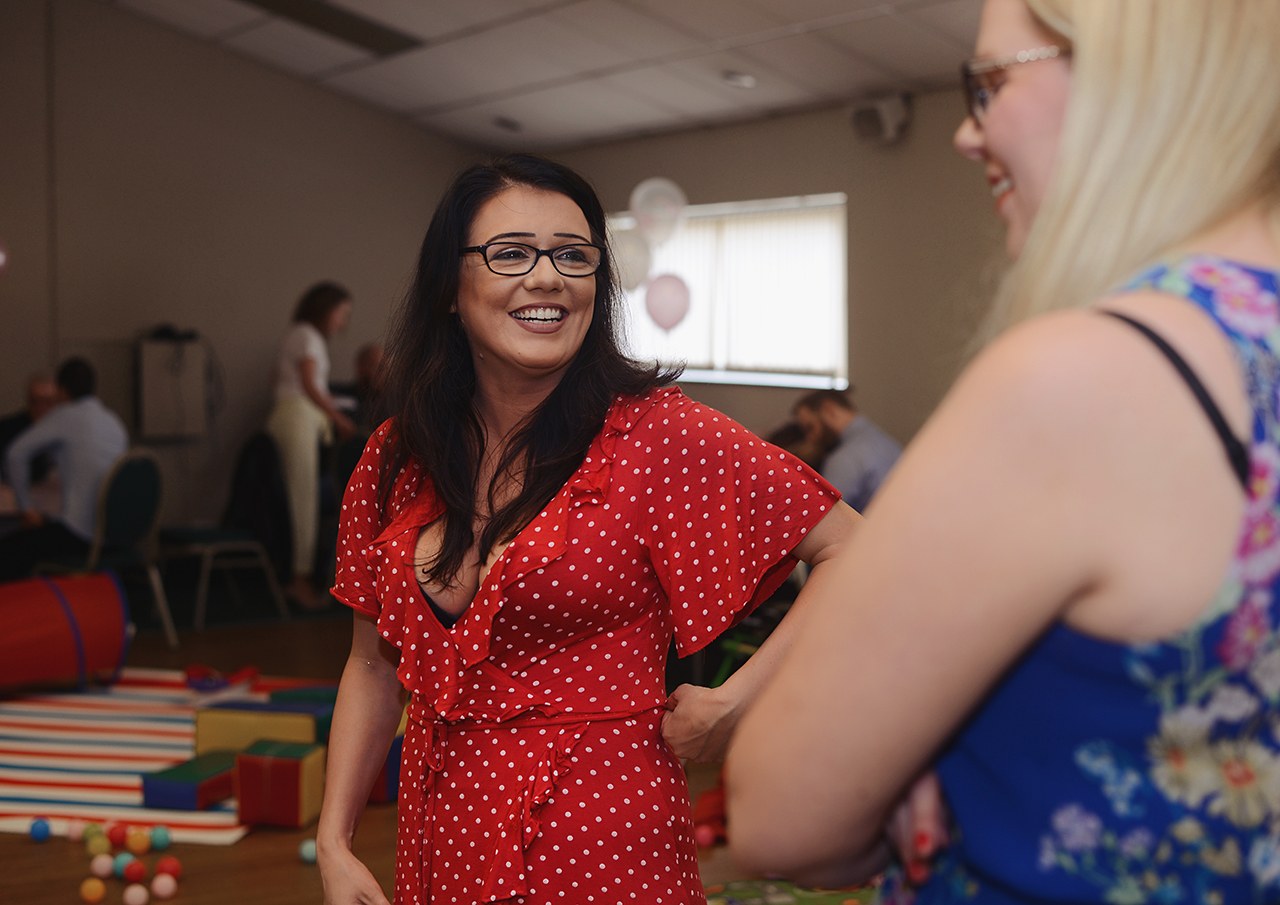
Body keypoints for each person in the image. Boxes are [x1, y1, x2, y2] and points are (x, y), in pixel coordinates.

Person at [726, 0, 1280, 901]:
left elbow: (777, 814)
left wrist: (938, 770)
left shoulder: (1085, 377)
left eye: (990, 84)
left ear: (1122, 75)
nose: (964, 134)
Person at [316, 154, 861, 905]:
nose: (547, 277)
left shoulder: (658, 436)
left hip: (603, 847)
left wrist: (741, 703)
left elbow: (857, 550)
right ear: (450, 285)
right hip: (442, 841)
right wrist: (333, 839)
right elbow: (372, 668)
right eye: (511, 252)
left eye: (573, 255)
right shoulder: (394, 458)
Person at [266, 281, 357, 609]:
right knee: (301, 500)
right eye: (342, 313)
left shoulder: (297, 334)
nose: (342, 322)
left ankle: (297, 575)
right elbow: (307, 384)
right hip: (298, 419)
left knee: (298, 497)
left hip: (291, 415)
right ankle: (299, 579)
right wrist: (337, 416)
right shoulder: (307, 335)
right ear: (327, 309)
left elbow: (281, 382)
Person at [0, 358, 128, 581]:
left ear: (61, 391)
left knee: (10, 549)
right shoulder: (114, 422)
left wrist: (27, 507)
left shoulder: (65, 416)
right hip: (115, 534)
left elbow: (15, 454)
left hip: (80, 535)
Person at [793, 389, 901, 513]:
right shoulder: (887, 443)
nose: (810, 438)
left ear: (829, 410)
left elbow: (824, 518)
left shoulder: (845, 458)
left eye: (810, 427)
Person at [0, 374, 59, 485]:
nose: (41, 408)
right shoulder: (7, 430)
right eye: (35, 401)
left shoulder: (65, 430)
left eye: (47, 402)